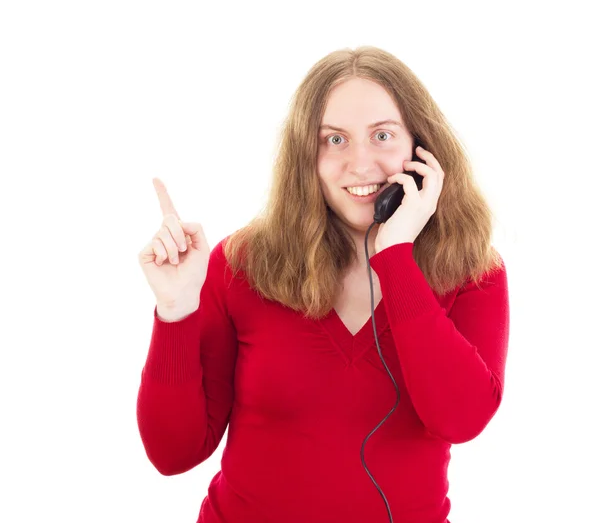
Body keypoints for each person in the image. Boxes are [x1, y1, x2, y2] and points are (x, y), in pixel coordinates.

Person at [136, 45, 510, 523]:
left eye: (382, 135)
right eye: (334, 140)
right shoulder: (242, 264)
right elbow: (174, 455)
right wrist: (175, 311)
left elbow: (461, 418)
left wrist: (395, 260)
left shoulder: (472, 271)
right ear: (304, 156)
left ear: (422, 148)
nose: (360, 164)